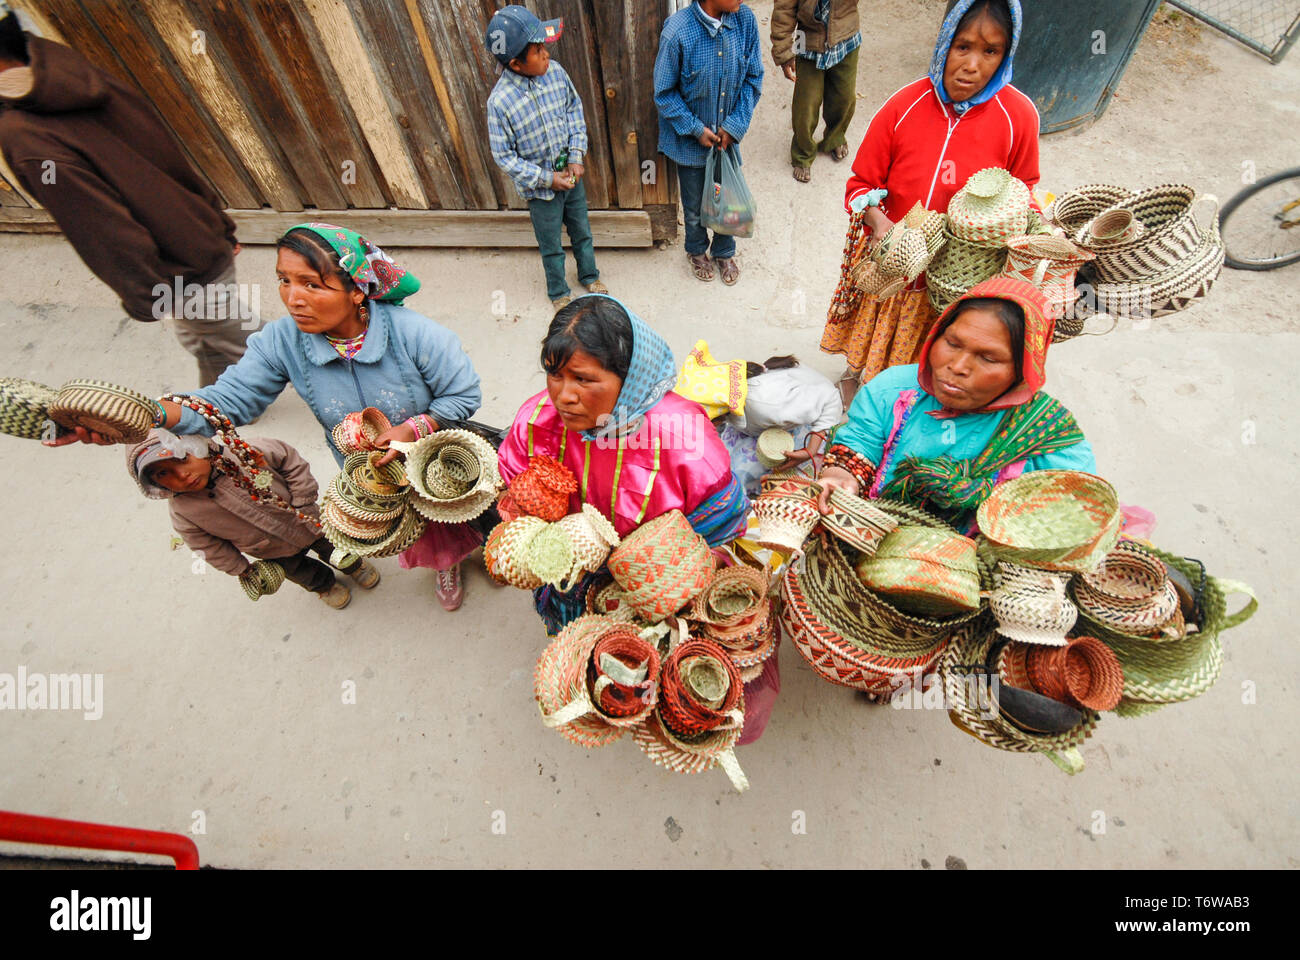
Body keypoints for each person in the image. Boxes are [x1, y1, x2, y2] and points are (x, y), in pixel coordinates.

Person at [50, 223, 484, 611]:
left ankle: (454, 559)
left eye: (312, 285)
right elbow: (229, 399)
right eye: (284, 280)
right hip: (367, 471)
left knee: (450, 512)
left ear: (357, 290)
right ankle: (440, 560)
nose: (293, 299)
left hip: (433, 455)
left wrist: (411, 429)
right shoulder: (281, 342)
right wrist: (146, 416)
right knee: (411, 524)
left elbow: (463, 394)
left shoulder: (417, 335)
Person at [499, 294, 777, 743]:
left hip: (660, 584)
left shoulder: (682, 437)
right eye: (554, 373)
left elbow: (721, 525)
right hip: (575, 572)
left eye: (583, 379)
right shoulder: (536, 421)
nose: (563, 395)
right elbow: (512, 485)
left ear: (628, 379)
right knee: (590, 649)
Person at [0, 16, 258, 386]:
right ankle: (220, 402)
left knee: (245, 341)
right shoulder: (59, 67)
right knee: (204, 336)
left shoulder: (26, 137)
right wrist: (217, 220)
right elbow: (162, 151)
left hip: (178, 264)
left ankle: (343, 366)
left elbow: (102, 228)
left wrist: (145, 296)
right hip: (199, 234)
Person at [821, 0, 1039, 403]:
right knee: (874, 335)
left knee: (939, 347)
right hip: (893, 269)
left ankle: (912, 397)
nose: (972, 64)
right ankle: (859, 377)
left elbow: (1024, 194)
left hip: (958, 277)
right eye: (963, 46)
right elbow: (859, 185)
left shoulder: (1018, 117)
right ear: (944, 43)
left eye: (990, 51)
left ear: (1006, 55)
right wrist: (882, 226)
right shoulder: (904, 105)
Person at [807, 277, 1095, 532]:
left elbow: (1072, 514)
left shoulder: (1048, 434)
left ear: (1023, 369)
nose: (957, 366)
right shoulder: (893, 390)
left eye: (988, 358)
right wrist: (840, 476)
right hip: (870, 537)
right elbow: (861, 440)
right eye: (953, 343)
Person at [127, 428, 380, 609]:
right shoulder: (183, 511)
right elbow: (205, 545)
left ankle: (353, 566)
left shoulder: (242, 454)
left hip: (305, 520)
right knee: (300, 571)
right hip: (270, 550)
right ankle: (324, 585)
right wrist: (239, 568)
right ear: (153, 484)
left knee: (335, 547)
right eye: (163, 473)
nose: (182, 475)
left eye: (183, 458)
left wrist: (303, 498)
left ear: (197, 445)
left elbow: (288, 458)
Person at [485, 5, 606, 312]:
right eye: (538, 51)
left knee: (582, 232)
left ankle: (589, 276)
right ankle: (558, 292)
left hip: (572, 177)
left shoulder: (557, 74)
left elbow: (574, 111)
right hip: (541, 192)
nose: (546, 55)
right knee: (551, 246)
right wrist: (547, 178)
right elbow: (504, 157)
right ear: (515, 63)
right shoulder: (499, 103)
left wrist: (576, 156)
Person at [654, 0, 764, 285]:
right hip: (689, 144)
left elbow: (753, 78)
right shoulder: (677, 32)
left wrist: (735, 125)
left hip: (727, 141)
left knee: (724, 198)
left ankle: (724, 250)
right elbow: (664, 93)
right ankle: (696, 249)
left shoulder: (745, 21)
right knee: (693, 207)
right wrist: (694, 129)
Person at [770, 0, 862, 183]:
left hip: (846, 36)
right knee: (806, 104)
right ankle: (802, 153)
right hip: (807, 39)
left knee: (844, 98)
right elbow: (784, 9)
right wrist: (784, 51)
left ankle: (835, 137)